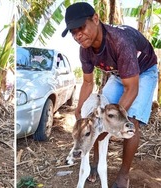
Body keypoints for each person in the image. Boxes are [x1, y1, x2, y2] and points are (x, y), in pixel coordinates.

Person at [62, 2, 158, 188]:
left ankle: (123, 175)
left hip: (144, 71)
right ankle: (97, 163)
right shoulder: (85, 50)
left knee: (129, 120)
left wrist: (114, 119)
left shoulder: (120, 41)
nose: (77, 35)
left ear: (96, 19)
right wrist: (79, 110)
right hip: (118, 74)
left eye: (81, 27)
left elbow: (132, 88)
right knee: (96, 118)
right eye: (73, 32)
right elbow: (88, 83)